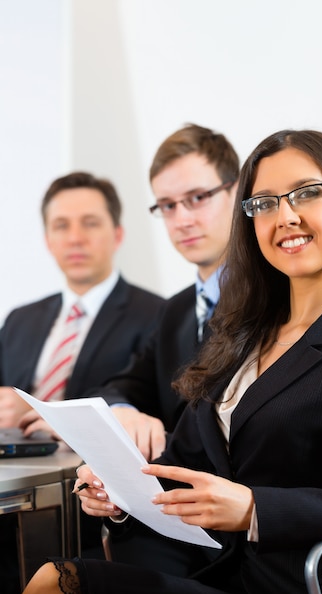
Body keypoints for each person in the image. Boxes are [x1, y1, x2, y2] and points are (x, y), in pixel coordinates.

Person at [8, 128, 322, 594]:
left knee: (58, 585)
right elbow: (184, 464)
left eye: (307, 193)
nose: (286, 215)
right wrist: (118, 491)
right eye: (264, 203)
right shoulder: (240, 339)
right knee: (57, 580)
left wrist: (255, 508)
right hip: (221, 574)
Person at [0, 171, 164, 594]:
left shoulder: (158, 316)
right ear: (47, 239)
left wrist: (40, 410)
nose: (75, 237)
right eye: (61, 225)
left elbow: (146, 404)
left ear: (117, 234)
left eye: (90, 223)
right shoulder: (20, 320)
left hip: (92, 513)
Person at [97, 122, 239, 459]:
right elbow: (121, 386)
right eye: (167, 205)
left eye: (198, 198)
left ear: (238, 192)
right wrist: (123, 411)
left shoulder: (279, 301)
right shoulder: (176, 310)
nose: (181, 220)